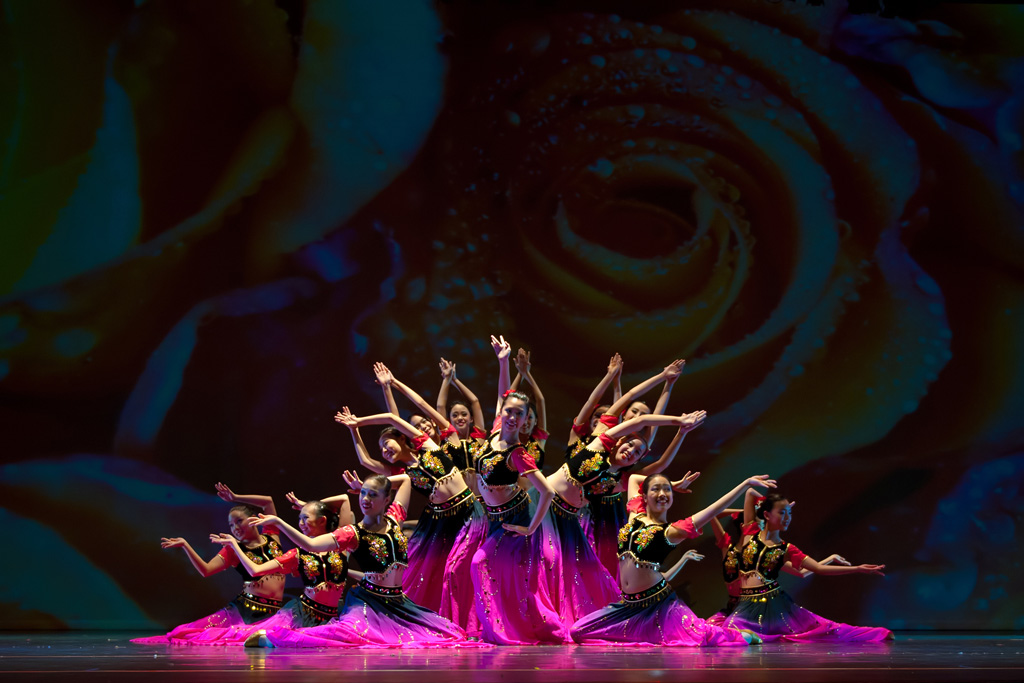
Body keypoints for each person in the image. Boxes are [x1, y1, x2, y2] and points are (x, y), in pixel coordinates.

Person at [246, 473, 484, 648]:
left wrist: (365, 483)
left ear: (386, 498)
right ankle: (274, 639)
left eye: (372, 494)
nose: (365, 498)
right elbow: (311, 545)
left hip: (397, 603)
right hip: (368, 602)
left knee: (448, 633)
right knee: (349, 635)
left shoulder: (395, 518)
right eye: (363, 493)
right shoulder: (353, 533)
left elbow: (405, 480)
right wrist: (279, 523)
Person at [571, 472, 776, 646]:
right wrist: (675, 483)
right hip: (628, 606)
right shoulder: (635, 514)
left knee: (700, 637)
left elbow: (712, 510)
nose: (662, 494)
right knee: (578, 631)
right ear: (644, 496)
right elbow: (633, 478)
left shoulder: (671, 532)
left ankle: (743, 636)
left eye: (667, 490)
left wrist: (744, 485)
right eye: (656, 489)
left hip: (660, 606)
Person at [544, 410, 707, 629]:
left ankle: (574, 619)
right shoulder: (599, 446)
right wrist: (678, 419)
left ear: (638, 460)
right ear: (620, 441)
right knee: (544, 561)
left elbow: (660, 466)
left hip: (566, 519)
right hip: (544, 505)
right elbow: (641, 420)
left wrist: (681, 433)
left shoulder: (619, 481)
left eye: (637, 452)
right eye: (629, 444)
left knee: (585, 571)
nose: (631, 451)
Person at [334, 407, 482, 633]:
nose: (384, 450)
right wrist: (353, 432)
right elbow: (365, 460)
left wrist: (359, 421)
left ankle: (469, 625)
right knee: (435, 573)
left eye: (387, 443)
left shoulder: (427, 446)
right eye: (381, 449)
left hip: (469, 512)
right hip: (442, 521)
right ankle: (447, 624)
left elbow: (391, 417)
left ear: (402, 438)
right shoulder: (401, 473)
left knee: (458, 569)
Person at [469, 334, 563, 644]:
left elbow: (547, 492)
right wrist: (503, 362)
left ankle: (501, 631)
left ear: (525, 421)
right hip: (494, 516)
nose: (511, 416)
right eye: (508, 411)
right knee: (507, 577)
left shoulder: (518, 453)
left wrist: (530, 528)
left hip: (514, 518)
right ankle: (505, 627)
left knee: (480, 564)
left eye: (518, 414)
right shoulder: (494, 433)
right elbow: (502, 395)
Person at [721, 493, 893, 642]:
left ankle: (876, 634)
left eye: (789, 513)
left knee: (823, 631)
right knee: (728, 632)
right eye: (782, 512)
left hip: (772, 604)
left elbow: (817, 568)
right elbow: (750, 492)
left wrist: (857, 568)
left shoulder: (786, 549)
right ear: (766, 514)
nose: (787, 518)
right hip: (746, 604)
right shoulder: (750, 533)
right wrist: (761, 499)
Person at [131, 484, 286, 644]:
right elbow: (206, 570)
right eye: (231, 525)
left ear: (253, 518)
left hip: (274, 613)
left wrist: (235, 497)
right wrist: (186, 545)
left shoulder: (272, 536)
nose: (235, 528)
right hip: (243, 611)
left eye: (239, 521)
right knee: (187, 632)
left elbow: (268, 502)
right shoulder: (232, 548)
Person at [199, 500, 358, 645]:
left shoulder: (340, 546)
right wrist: (234, 545)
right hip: (304, 614)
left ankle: (274, 639)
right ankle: (271, 639)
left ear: (322, 520)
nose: (301, 524)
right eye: (299, 519)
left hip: (332, 615)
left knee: (344, 641)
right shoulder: (297, 554)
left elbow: (344, 499)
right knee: (307, 641)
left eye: (305, 518)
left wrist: (307, 504)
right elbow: (255, 570)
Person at [706, 495, 848, 626]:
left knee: (733, 631)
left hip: (756, 610)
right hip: (734, 610)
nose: (762, 529)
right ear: (744, 526)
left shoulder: (767, 555)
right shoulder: (728, 550)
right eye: (759, 524)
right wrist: (749, 510)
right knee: (710, 629)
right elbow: (712, 514)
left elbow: (802, 572)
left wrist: (829, 559)